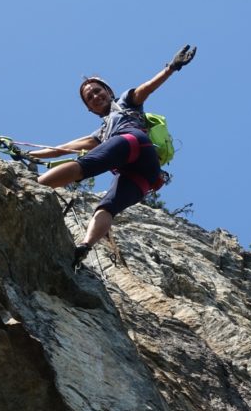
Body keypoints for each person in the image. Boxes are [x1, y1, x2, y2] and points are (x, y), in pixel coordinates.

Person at [28, 45, 196, 266]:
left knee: (84, 166)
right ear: (89, 108)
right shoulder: (99, 134)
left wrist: (171, 68)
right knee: (108, 205)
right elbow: (62, 148)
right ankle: (85, 247)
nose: (95, 96)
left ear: (109, 92)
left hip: (134, 143)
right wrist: (29, 154)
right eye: (90, 97)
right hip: (144, 176)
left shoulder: (126, 102)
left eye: (98, 91)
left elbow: (147, 88)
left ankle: (32, 186)